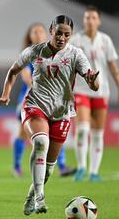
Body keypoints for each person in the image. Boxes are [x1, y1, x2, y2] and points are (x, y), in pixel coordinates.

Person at [0, 15, 99, 215]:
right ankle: (40, 197)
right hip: (35, 106)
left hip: (62, 113)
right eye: (59, 33)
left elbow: (93, 82)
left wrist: (93, 81)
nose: (62, 38)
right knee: (40, 142)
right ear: (51, 30)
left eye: (67, 34)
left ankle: (32, 195)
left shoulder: (76, 54)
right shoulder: (35, 51)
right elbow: (13, 71)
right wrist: (6, 95)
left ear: (71, 35)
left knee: (48, 169)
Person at [70, 6, 119, 182]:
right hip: (81, 90)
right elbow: (69, 69)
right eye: (87, 17)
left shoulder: (105, 40)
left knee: (97, 133)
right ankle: (81, 168)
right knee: (82, 129)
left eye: (93, 17)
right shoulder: (75, 40)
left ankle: (94, 172)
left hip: (102, 91)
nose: (90, 20)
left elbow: (112, 67)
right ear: (84, 20)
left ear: (99, 21)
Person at [12, 23, 76, 178]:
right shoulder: (27, 54)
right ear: (30, 36)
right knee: (22, 133)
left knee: (55, 131)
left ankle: (61, 166)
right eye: (35, 31)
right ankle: (17, 166)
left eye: (41, 31)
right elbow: (26, 77)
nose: (39, 33)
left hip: (51, 100)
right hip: (30, 99)